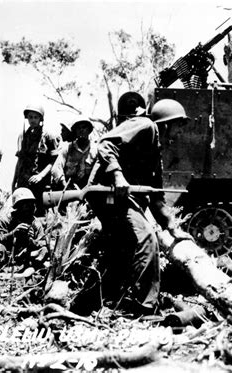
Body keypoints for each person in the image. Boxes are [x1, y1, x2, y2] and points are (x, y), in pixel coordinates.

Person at [75, 94, 190, 315]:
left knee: (122, 248)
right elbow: (106, 144)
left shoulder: (155, 153)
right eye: (177, 126)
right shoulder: (146, 126)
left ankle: (92, 302)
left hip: (119, 199)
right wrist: (118, 176)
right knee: (146, 238)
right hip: (107, 194)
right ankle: (146, 307)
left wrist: (173, 227)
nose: (178, 133)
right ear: (166, 124)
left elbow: (157, 199)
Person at [12, 104, 60, 214]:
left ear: (40, 119)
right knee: (22, 212)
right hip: (24, 182)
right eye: (30, 117)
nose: (33, 120)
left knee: (41, 213)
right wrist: (14, 182)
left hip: (41, 183)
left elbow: (53, 161)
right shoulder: (22, 136)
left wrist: (40, 175)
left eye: (36, 117)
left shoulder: (48, 136)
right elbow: (20, 161)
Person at [0, 188, 48, 272]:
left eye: (32, 204)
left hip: (27, 255)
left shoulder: (36, 223)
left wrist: (31, 241)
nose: (30, 207)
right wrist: (13, 233)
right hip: (7, 255)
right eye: (26, 204)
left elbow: (43, 243)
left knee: (44, 250)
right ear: (18, 206)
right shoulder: (6, 220)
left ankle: (34, 268)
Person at [51, 116, 97, 191]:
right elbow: (56, 168)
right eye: (78, 128)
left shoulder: (96, 149)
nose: (81, 130)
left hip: (90, 190)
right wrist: (64, 184)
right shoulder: (67, 148)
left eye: (84, 127)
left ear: (89, 130)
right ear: (75, 131)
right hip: (70, 188)